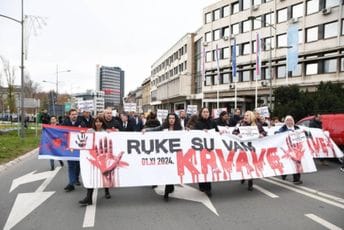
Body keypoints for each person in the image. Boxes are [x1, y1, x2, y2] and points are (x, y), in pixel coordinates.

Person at [143, 113, 182, 201]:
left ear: (176, 119)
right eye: (170, 118)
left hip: (175, 154)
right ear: (167, 119)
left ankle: (169, 188)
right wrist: (146, 130)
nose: (171, 120)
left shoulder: (180, 129)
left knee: (172, 172)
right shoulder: (163, 127)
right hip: (165, 154)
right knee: (168, 172)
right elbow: (155, 129)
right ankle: (166, 193)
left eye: (173, 118)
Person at [79, 116, 111, 206]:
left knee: (104, 174)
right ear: (94, 123)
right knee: (91, 176)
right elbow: (84, 141)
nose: (98, 123)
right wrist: (82, 134)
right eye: (96, 122)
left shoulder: (105, 132)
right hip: (92, 157)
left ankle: (107, 191)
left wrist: (110, 134)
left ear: (102, 123)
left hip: (102, 157)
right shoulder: (90, 131)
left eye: (100, 122)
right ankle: (89, 198)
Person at [232, 110, 267, 191]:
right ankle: (243, 176)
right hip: (243, 148)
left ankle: (250, 182)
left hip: (252, 148)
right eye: (245, 115)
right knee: (244, 163)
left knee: (251, 164)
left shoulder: (257, 125)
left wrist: (262, 134)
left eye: (247, 115)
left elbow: (264, 132)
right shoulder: (240, 123)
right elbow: (234, 131)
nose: (245, 116)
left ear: (251, 116)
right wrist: (238, 134)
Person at [194, 107, 217, 196]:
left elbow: (218, 131)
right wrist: (201, 132)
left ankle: (208, 188)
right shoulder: (197, 123)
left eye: (207, 112)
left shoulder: (213, 122)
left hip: (210, 149)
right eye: (204, 112)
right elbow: (193, 133)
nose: (206, 113)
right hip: (200, 149)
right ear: (201, 113)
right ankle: (201, 185)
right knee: (201, 167)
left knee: (208, 168)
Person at [62, 109, 86, 192]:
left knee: (78, 165)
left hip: (79, 148)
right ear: (69, 115)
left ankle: (76, 178)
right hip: (69, 148)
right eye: (72, 114)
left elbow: (85, 134)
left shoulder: (81, 123)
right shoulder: (65, 123)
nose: (74, 116)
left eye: (75, 114)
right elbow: (61, 132)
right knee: (71, 165)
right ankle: (71, 183)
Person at [275, 115, 303, 185]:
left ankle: (296, 179)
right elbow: (278, 134)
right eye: (287, 120)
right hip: (287, 149)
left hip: (296, 148)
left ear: (293, 121)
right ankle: (284, 174)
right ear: (285, 122)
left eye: (290, 120)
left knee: (297, 163)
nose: (289, 122)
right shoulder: (283, 128)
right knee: (287, 163)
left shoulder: (297, 128)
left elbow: (302, 135)